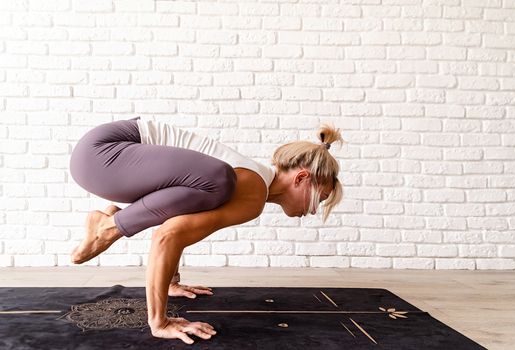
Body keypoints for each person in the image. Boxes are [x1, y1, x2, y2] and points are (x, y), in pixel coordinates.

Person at [69, 116, 343, 344]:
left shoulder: (252, 180)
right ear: (301, 178)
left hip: (100, 156)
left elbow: (176, 224)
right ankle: (109, 227)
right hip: (105, 155)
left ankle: (111, 223)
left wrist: (171, 281)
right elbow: (166, 236)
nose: (314, 210)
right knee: (219, 178)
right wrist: (160, 321)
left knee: (214, 182)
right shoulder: (253, 190)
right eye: (319, 198)